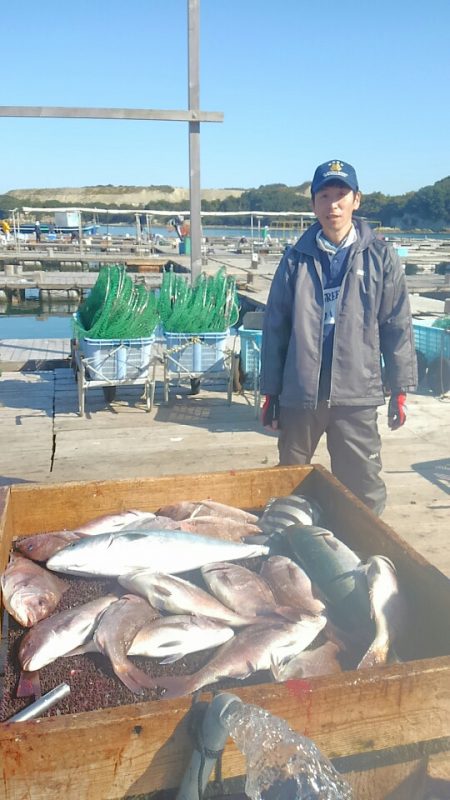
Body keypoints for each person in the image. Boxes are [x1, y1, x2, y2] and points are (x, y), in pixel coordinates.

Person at [260, 159, 417, 516]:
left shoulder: (381, 256)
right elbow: (276, 327)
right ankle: (289, 549)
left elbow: (396, 325)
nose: (333, 204)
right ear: (313, 203)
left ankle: (363, 553)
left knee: (363, 486)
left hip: (357, 394)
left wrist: (401, 388)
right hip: (301, 393)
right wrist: (271, 391)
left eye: (341, 194)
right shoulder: (294, 259)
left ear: (356, 200)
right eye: (324, 195)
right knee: (289, 482)